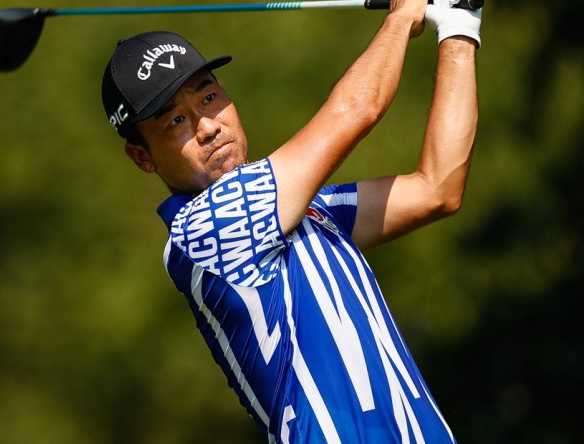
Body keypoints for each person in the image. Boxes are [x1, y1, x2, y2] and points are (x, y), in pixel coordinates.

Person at [101, 0, 481, 441]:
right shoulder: (206, 229)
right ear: (142, 156)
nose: (208, 127)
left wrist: (458, 29)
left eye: (209, 97)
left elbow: (437, 190)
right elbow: (356, 110)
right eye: (176, 122)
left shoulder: (305, 211)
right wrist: (401, 17)